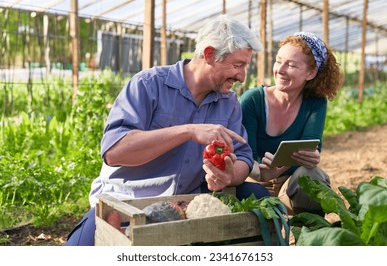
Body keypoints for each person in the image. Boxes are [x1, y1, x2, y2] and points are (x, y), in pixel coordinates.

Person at [65, 14, 270, 246]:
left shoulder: (228, 102)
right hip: (127, 199)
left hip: (187, 202)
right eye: (237, 65)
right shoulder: (148, 84)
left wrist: (228, 176)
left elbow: (242, 156)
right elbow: (114, 151)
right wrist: (189, 131)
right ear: (210, 54)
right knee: (78, 249)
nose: (242, 76)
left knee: (260, 198)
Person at [240, 32, 343, 216]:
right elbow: (246, 156)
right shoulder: (252, 101)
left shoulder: (315, 103)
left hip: (290, 186)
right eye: (278, 61)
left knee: (313, 177)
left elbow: (309, 147)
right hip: (254, 183)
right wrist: (262, 174)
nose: (280, 69)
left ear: (310, 73)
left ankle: (308, 236)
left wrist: (312, 157)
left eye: (292, 65)